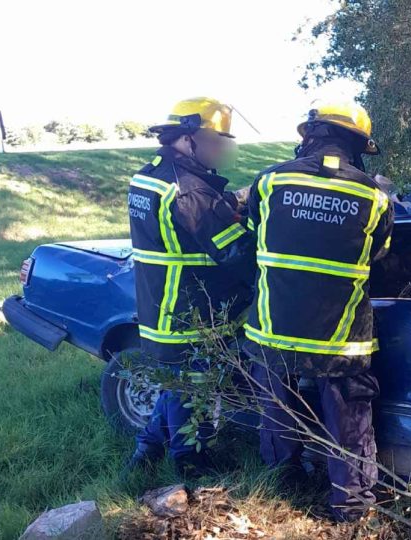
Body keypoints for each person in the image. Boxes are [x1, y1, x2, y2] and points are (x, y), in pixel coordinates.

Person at [243, 102, 394, 521]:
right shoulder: (374, 195)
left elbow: (256, 234)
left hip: (274, 329)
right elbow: (379, 254)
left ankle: (281, 486)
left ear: (309, 135)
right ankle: (351, 506)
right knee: (349, 421)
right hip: (340, 334)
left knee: (277, 409)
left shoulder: (270, 181)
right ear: (358, 144)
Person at [124, 97, 253, 477]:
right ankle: (191, 464)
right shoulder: (189, 191)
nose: (220, 150)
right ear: (186, 138)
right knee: (194, 389)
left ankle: (145, 452)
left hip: (159, 305)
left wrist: (233, 200)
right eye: (214, 142)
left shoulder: (151, 175)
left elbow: (192, 221)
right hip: (191, 309)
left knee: (176, 385)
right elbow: (235, 251)